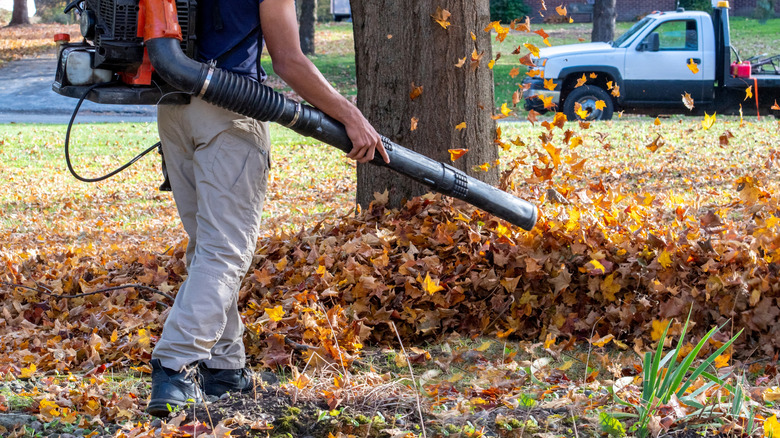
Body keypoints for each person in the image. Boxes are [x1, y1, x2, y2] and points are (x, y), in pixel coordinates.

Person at [146, 0, 389, 417]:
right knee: (225, 252)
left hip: (174, 108)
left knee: (208, 246)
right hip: (230, 109)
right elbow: (289, 62)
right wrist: (351, 115)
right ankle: (174, 365)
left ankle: (224, 367)